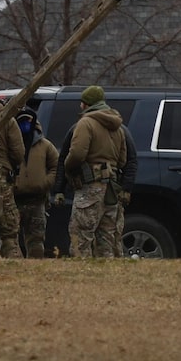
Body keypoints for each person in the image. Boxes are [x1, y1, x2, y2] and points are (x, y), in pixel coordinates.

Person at [63, 85, 127, 258]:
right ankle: (107, 281)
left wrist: (67, 166)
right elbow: (122, 160)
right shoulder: (118, 127)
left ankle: (81, 279)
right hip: (112, 189)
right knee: (107, 239)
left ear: (86, 104)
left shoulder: (86, 123)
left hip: (91, 187)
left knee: (81, 238)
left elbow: (77, 154)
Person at [13, 108, 59, 258]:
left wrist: (46, 182)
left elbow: (56, 166)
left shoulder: (45, 145)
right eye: (22, 121)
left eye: (28, 121)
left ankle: (35, 267)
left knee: (36, 239)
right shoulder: (11, 144)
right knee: (10, 238)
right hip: (14, 200)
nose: (25, 124)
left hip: (37, 200)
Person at [0, 99, 26, 258]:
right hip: (0, 171)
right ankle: (11, 256)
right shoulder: (7, 119)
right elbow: (18, 152)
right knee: (8, 220)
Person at [114, 124, 138, 257]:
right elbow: (131, 160)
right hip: (115, 186)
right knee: (112, 233)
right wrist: (126, 188)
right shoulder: (121, 129)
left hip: (88, 189)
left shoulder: (82, 126)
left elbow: (71, 157)